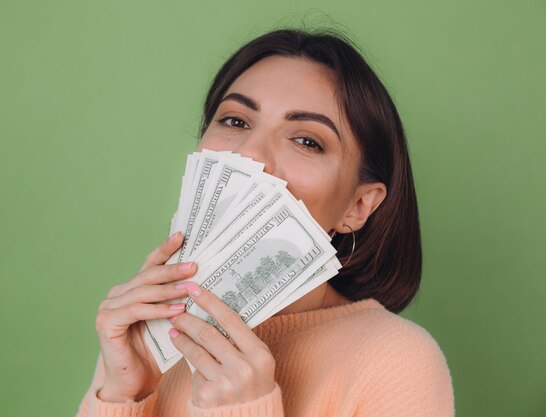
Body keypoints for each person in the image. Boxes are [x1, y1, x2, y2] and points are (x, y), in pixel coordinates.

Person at [76, 27, 454, 417]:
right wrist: (122, 394)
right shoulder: (149, 341)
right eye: (236, 121)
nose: (251, 155)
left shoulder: (396, 361)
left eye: (308, 141)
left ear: (357, 205)